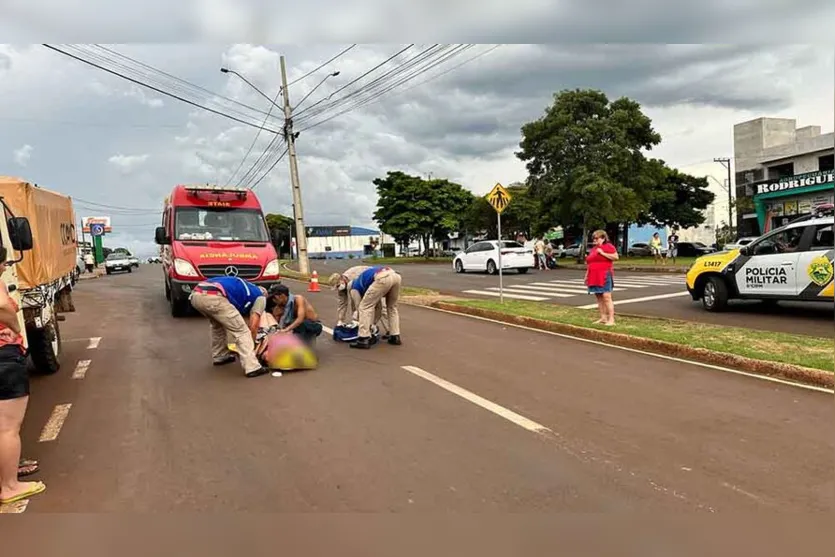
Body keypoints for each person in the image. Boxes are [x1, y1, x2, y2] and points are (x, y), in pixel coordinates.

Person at [0, 248, 46, 505]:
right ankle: (9, 486)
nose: (6, 266)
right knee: (7, 427)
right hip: (3, 358)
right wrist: (15, 326)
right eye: (3, 261)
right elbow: (3, 305)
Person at [189, 276, 269, 378]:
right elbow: (254, 325)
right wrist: (252, 346)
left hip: (196, 295)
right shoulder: (261, 297)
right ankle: (252, 367)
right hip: (214, 297)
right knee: (242, 331)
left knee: (217, 326)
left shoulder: (244, 288)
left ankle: (220, 356)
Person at [349, 266, 402, 349]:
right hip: (395, 276)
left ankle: (363, 338)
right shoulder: (363, 280)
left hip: (382, 278)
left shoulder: (354, 288)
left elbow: (360, 308)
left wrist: (363, 324)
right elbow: (378, 307)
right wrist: (373, 323)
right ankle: (395, 336)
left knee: (364, 307)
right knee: (392, 307)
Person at [584, 230, 619, 326]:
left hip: (604, 274)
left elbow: (616, 257)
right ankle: (603, 317)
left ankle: (611, 319)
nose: (595, 240)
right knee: (599, 296)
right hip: (593, 275)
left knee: (606, 296)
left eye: (597, 238)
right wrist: (586, 275)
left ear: (603, 238)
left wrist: (603, 253)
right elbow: (590, 263)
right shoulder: (593, 249)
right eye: (594, 239)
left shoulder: (609, 247)